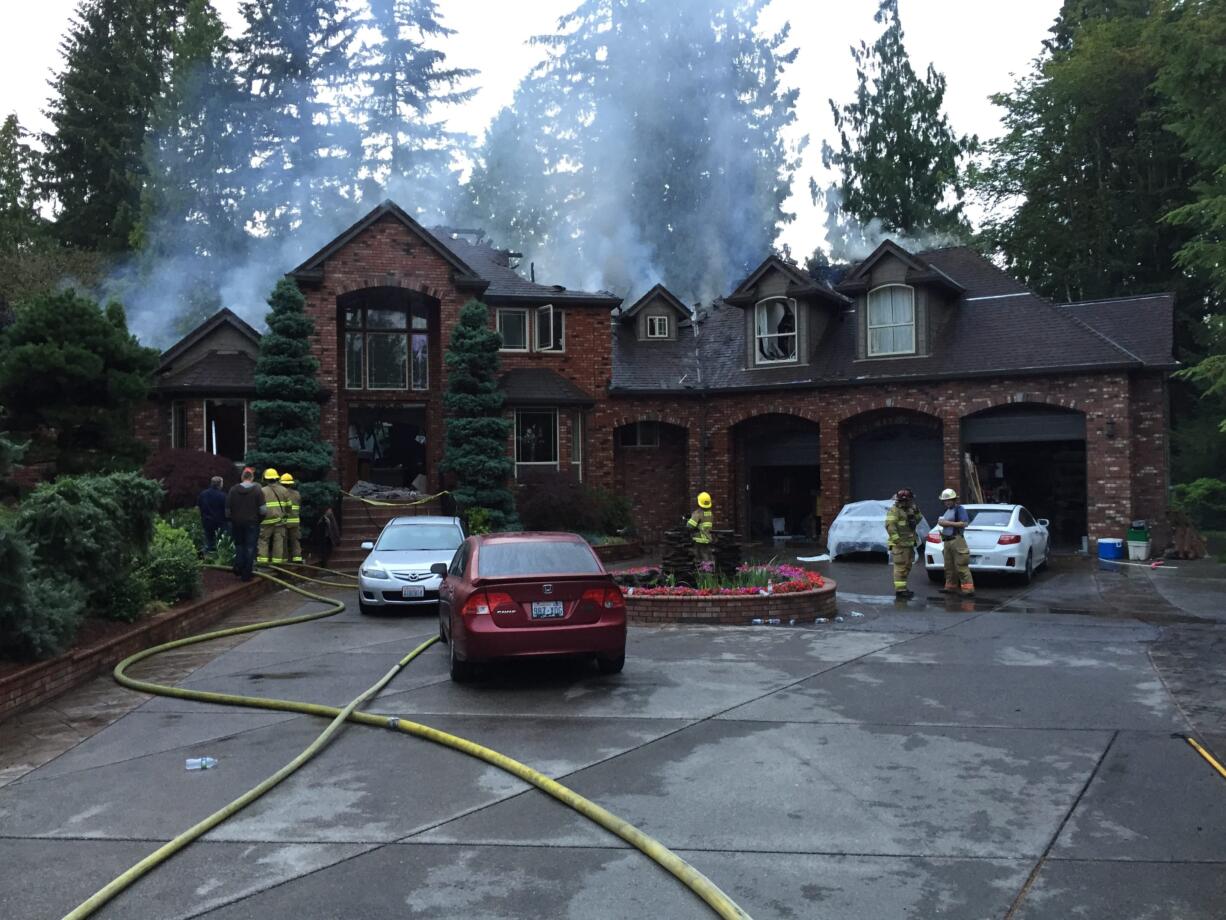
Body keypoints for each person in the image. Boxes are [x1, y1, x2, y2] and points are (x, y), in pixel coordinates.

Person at [226, 468, 266, 580]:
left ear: (242, 477)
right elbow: (263, 510)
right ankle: (246, 574)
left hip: (237, 523)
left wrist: (231, 519)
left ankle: (239, 566)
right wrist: (258, 520)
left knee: (239, 545)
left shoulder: (233, 490)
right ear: (252, 478)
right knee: (250, 547)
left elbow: (227, 509)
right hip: (252, 523)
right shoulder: (258, 490)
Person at [884, 488, 922, 600]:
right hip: (900, 545)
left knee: (907, 566)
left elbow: (918, 519)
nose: (911, 502)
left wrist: (916, 510)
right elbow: (890, 526)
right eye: (909, 500)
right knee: (900, 567)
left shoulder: (911, 509)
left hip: (909, 543)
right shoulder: (894, 510)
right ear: (902, 501)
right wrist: (897, 541)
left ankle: (903, 588)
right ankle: (900, 591)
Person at [937, 487, 974, 596]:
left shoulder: (960, 509)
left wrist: (947, 523)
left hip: (957, 540)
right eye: (945, 501)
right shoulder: (947, 511)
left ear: (954, 500)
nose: (947, 502)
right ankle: (950, 587)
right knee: (948, 566)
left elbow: (964, 523)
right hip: (947, 541)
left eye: (949, 500)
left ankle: (968, 590)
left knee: (961, 566)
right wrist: (941, 523)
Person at [258, 468, 289, 566]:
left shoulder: (262, 491)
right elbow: (289, 505)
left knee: (263, 541)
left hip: (265, 522)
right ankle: (277, 563)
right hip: (279, 521)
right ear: (276, 478)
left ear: (266, 479)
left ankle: (263, 563)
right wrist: (285, 514)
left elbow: (259, 507)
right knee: (278, 542)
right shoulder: (284, 490)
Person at [196, 476, 229, 555]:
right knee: (219, 542)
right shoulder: (223, 496)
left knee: (208, 541)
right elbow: (227, 510)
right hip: (220, 522)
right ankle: (217, 558)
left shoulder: (203, 494)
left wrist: (202, 516)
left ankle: (206, 555)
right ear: (220, 484)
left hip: (207, 521)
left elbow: (197, 507)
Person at [279, 472, 304, 564]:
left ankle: (284, 559)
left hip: (284, 521)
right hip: (295, 521)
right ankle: (297, 558)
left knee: (283, 542)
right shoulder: (297, 494)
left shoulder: (281, 494)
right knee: (295, 540)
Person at [686, 491, 714, 565]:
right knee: (707, 557)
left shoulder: (698, 513)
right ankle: (709, 572)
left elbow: (690, 526)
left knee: (698, 559)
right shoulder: (710, 513)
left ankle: (700, 573)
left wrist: (688, 520)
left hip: (698, 540)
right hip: (708, 539)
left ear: (699, 502)